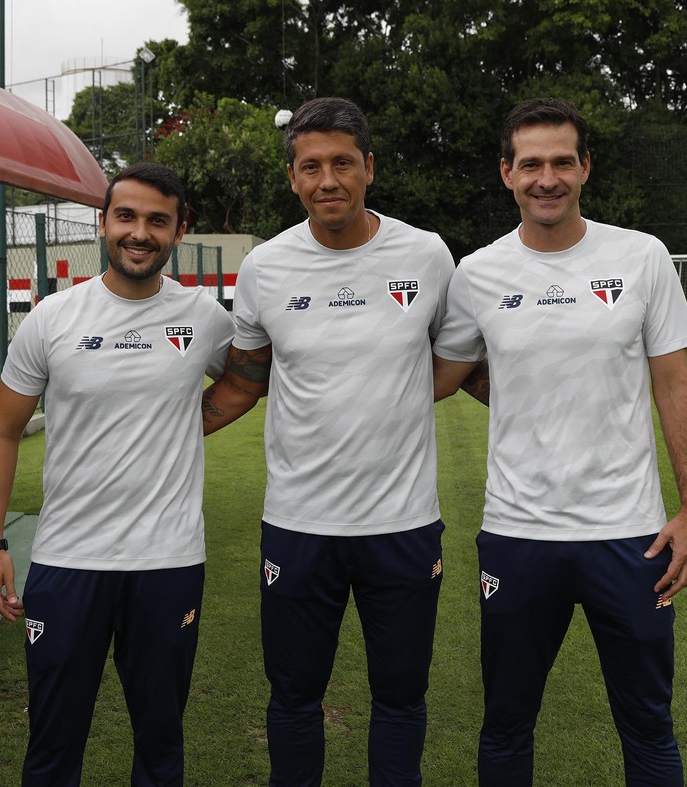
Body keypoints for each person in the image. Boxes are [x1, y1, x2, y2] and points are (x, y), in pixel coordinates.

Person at [432, 98, 687, 785]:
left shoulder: (641, 256)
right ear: (506, 173)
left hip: (630, 534)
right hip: (518, 535)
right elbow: (445, 375)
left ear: (585, 167)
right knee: (506, 723)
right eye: (531, 164)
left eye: (561, 162)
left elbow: (674, 383)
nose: (546, 178)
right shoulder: (478, 273)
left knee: (648, 725)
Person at [201, 97, 455, 786]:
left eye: (343, 163)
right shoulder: (265, 268)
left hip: (401, 524)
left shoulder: (426, 254)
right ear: (293, 178)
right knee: (293, 696)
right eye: (311, 167)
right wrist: (154, 429)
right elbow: (242, 380)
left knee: (401, 696)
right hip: (298, 525)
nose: (328, 180)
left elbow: (456, 365)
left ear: (369, 168)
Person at [0, 162, 234, 786]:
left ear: (177, 232)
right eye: (127, 217)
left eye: (157, 221)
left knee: (160, 741)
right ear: (103, 223)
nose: (139, 233)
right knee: (53, 741)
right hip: (69, 561)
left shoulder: (205, 317)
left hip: (167, 563)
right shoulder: (52, 317)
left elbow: (247, 383)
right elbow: (3, 432)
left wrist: (182, 421)